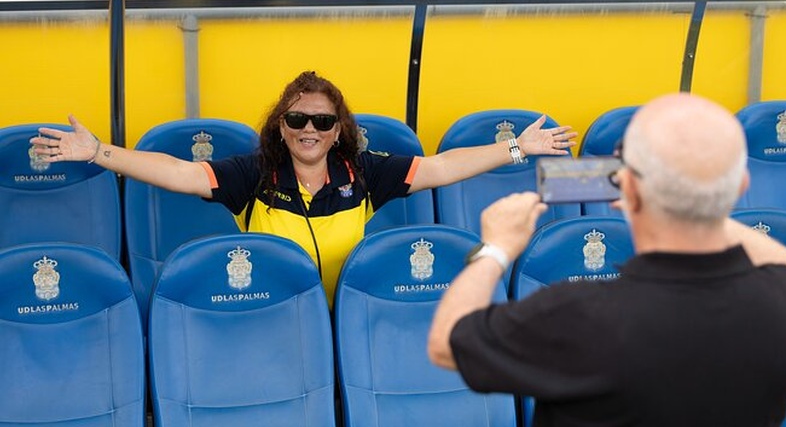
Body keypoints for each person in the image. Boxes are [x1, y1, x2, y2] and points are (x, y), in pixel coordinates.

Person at [428, 93, 786, 427]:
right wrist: (705, 197)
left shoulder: (576, 315)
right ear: (741, 185)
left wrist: (495, 248)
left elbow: (447, 342)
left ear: (626, 191)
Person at [30, 70, 577, 304]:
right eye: (296, 120)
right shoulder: (253, 174)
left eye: (321, 120)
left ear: (339, 130)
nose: (308, 130)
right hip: (279, 307)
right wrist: (98, 152)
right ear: (280, 127)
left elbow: (441, 167)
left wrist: (517, 148)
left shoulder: (363, 171)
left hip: (352, 308)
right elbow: (177, 172)